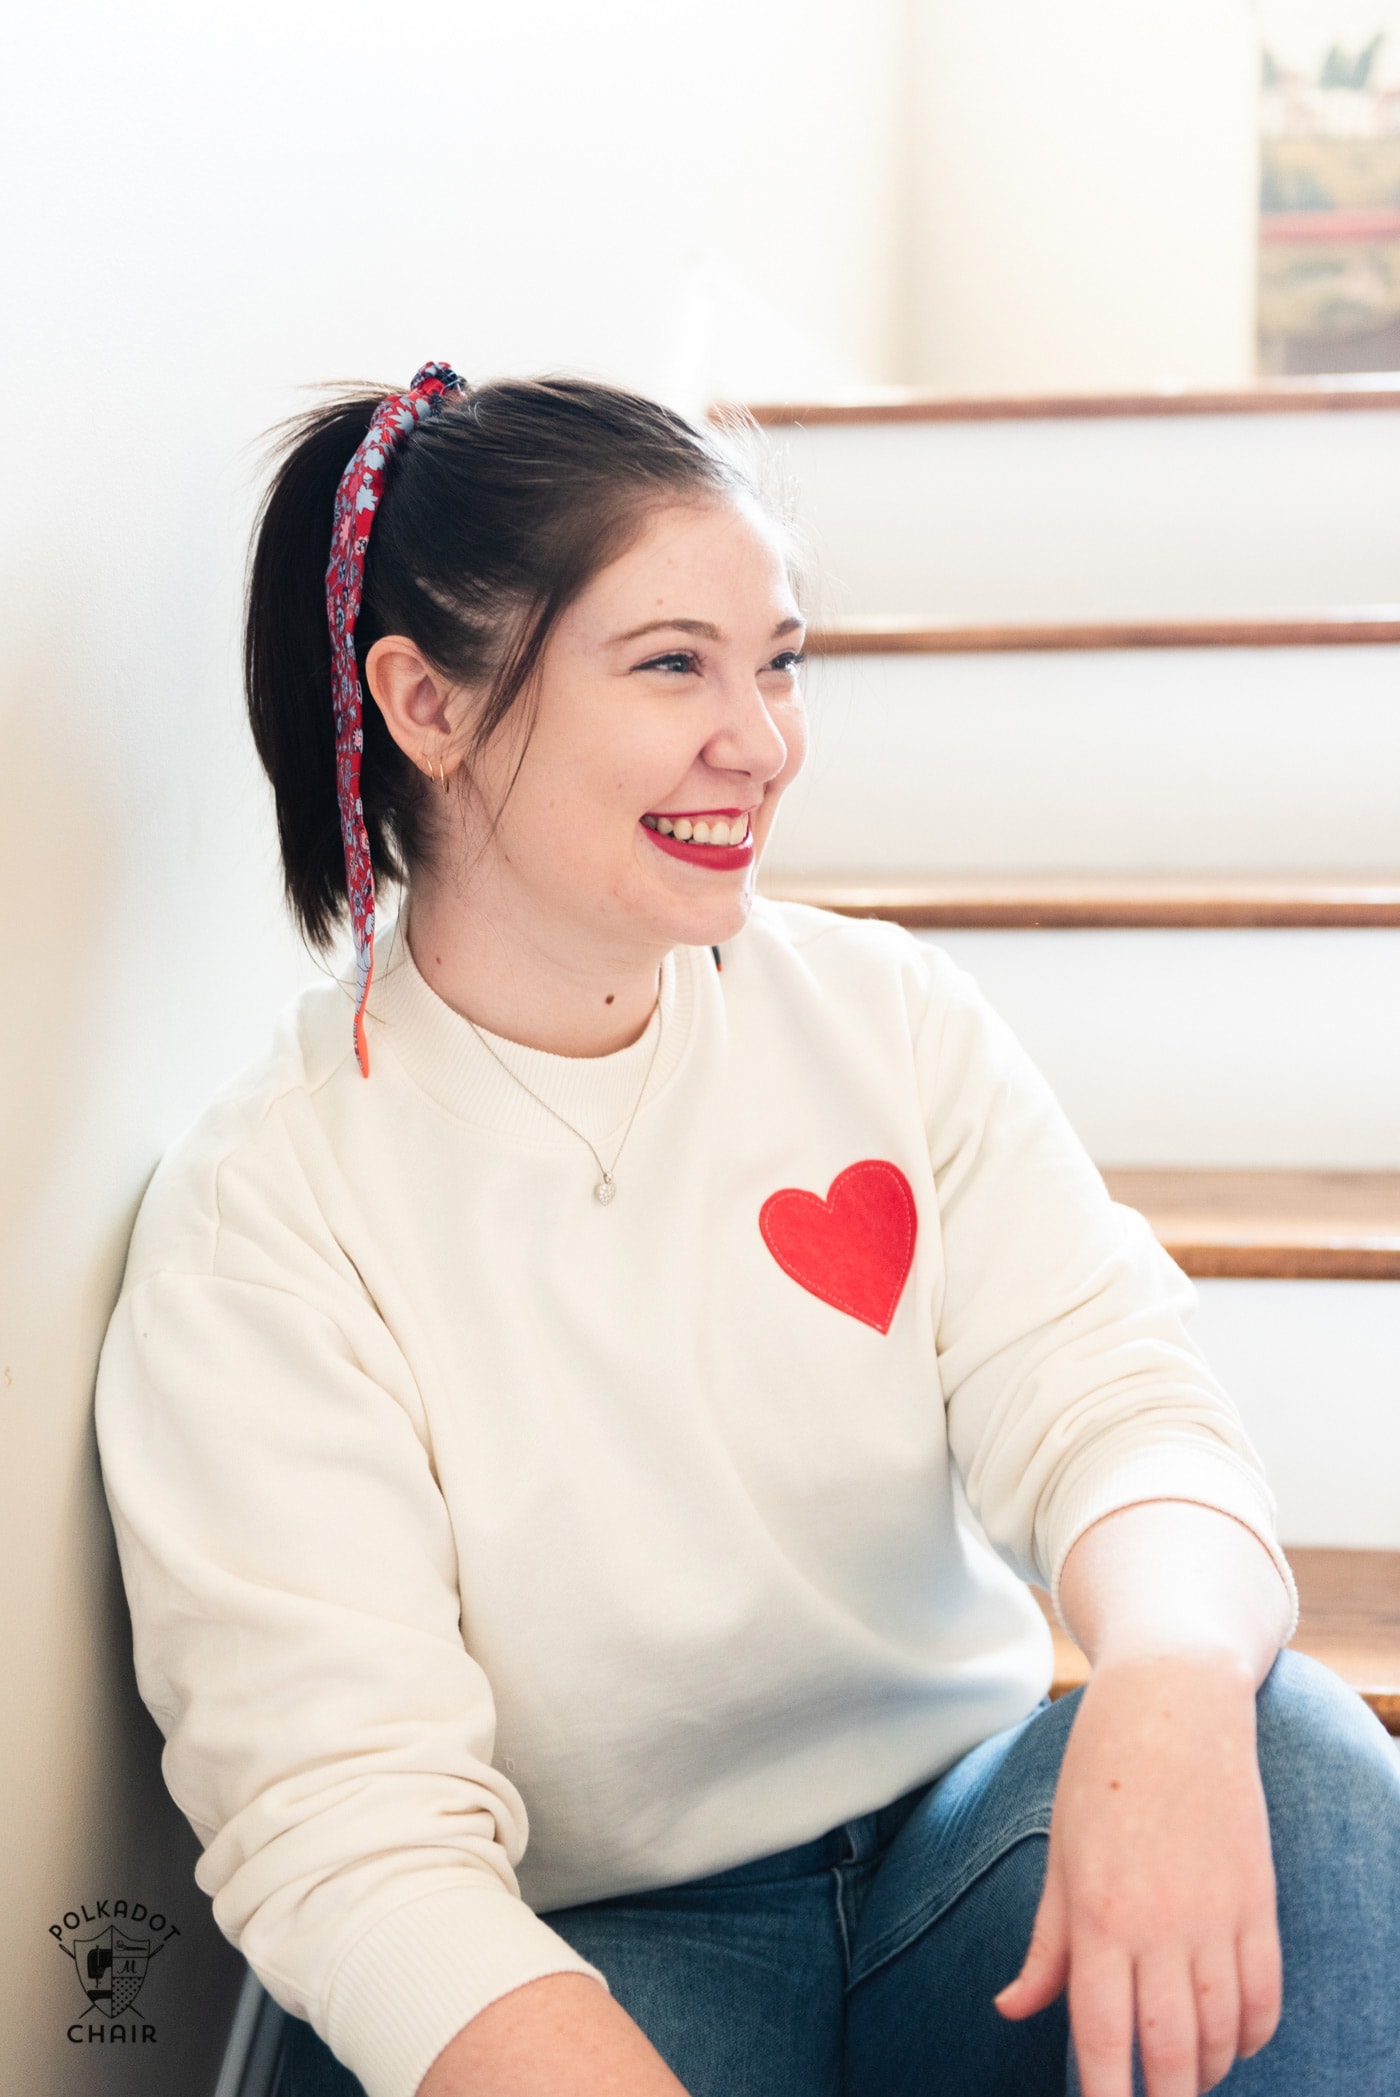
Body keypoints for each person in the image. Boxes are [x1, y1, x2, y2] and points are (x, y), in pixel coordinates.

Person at [95, 365, 1400, 2097]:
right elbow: (352, 1830)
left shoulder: (883, 1017)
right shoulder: (265, 1214)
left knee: (1291, 1749)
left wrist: (1163, 1680)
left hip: (953, 1856)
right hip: (581, 1943)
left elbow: (1115, 1401)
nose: (764, 739)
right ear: (424, 702)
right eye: (672, 665)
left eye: (778, 659)